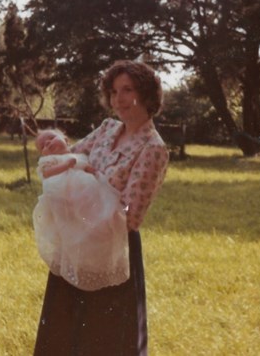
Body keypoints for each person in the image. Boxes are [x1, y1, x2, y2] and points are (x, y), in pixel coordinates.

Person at [34, 60, 169, 356]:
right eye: (113, 91)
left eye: (127, 90)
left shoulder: (153, 149)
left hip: (112, 251)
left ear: (146, 95)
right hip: (76, 242)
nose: (117, 99)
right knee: (62, 332)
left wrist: (94, 186)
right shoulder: (107, 129)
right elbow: (71, 157)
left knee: (104, 340)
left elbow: (132, 217)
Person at [33, 128, 130, 291]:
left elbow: (88, 168)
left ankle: (100, 223)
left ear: (65, 139)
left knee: (100, 207)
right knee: (72, 226)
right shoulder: (50, 161)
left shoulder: (80, 156)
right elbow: (47, 174)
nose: (48, 144)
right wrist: (65, 165)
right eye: (43, 145)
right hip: (63, 195)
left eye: (50, 138)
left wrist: (92, 171)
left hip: (87, 194)